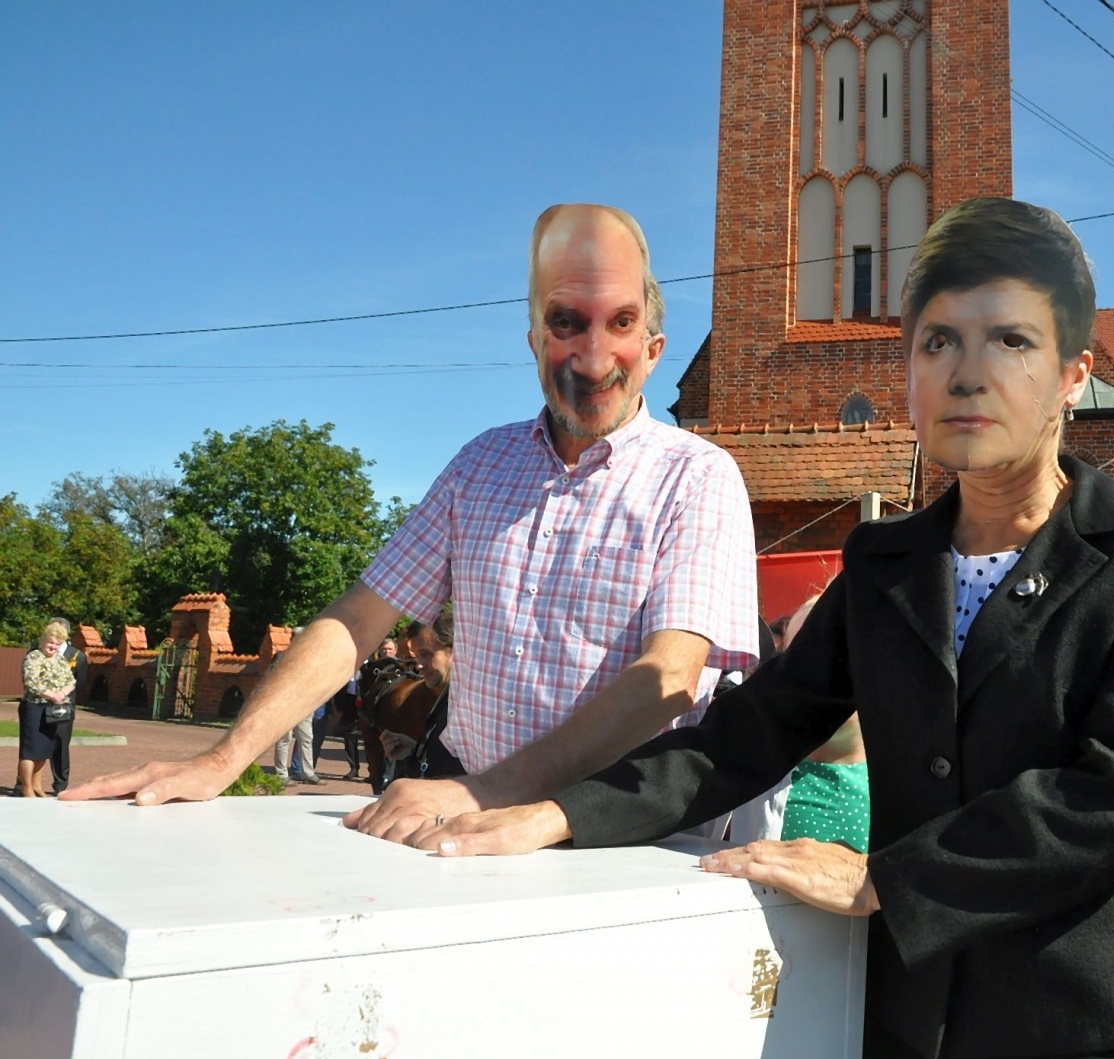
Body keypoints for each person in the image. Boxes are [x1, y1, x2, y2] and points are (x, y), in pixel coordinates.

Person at [409, 198, 1114, 1059]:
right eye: (937, 341)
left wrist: (889, 877)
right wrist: (561, 812)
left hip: (1087, 1027)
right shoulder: (884, 563)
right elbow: (746, 734)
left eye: (1010, 340)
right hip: (907, 1025)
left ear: (1070, 372)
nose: (967, 374)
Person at [66, 203, 760, 840]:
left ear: (655, 349)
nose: (591, 353)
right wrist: (223, 759)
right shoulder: (479, 465)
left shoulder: (695, 475)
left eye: (621, 322)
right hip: (465, 818)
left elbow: (665, 675)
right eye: (565, 322)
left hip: (622, 830)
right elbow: (357, 620)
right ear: (533, 340)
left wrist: (484, 791)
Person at [776, 591, 871, 853]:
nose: (820, 679)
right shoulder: (749, 772)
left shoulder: (903, 784)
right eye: (798, 660)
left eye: (842, 658)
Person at [380, 610, 464, 781]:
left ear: (457, 650)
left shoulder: (473, 705)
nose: (419, 665)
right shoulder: (448, 695)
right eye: (417, 656)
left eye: (426, 654)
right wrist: (414, 749)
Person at [17, 620, 77, 798]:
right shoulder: (33, 657)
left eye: (57, 644)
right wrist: (51, 694)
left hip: (52, 710)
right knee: (30, 750)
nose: (53, 646)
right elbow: (31, 682)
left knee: (44, 749)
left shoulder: (60, 660)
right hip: (33, 708)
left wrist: (62, 693)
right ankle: (26, 788)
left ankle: (37, 786)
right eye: (50, 642)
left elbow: (71, 680)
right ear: (43, 641)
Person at [47, 616, 87, 794]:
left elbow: (81, 682)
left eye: (57, 630)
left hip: (62, 706)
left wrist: (62, 695)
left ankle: (60, 784)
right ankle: (23, 783)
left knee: (60, 744)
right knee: (35, 742)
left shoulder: (77, 655)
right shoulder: (39, 651)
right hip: (40, 704)